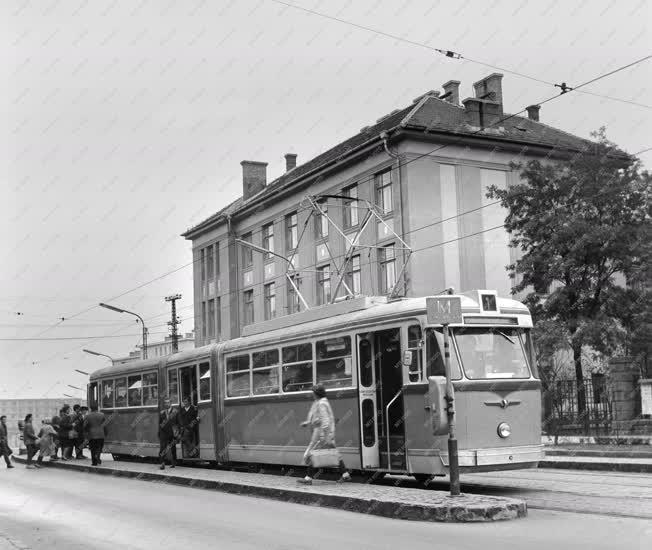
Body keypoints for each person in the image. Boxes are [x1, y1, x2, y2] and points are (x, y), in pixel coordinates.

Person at [297, 384, 350, 485]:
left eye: (313, 392)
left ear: (317, 394)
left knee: (312, 453)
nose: (312, 394)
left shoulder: (321, 403)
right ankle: (345, 475)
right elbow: (317, 417)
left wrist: (326, 437)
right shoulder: (320, 402)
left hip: (323, 433)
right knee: (334, 453)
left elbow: (325, 420)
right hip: (325, 432)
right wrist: (308, 423)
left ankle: (308, 479)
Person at [158, 397, 178, 470]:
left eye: (168, 402)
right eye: (165, 403)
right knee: (162, 447)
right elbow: (160, 424)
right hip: (163, 433)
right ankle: (162, 463)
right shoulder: (162, 412)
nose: (166, 404)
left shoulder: (175, 411)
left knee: (172, 448)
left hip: (172, 432)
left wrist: (178, 432)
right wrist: (160, 433)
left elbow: (178, 422)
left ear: (171, 403)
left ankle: (173, 462)